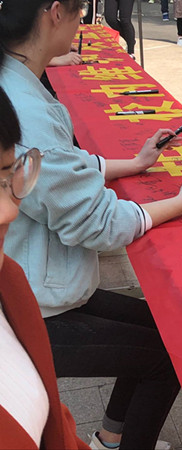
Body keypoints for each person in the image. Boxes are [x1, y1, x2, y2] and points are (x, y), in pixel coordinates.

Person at [0, 1, 182, 449]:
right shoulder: (25, 110)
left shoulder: (15, 83)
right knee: (169, 355)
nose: (82, 25)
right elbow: (95, 222)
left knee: (166, 328)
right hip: (35, 302)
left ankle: (110, 437)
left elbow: (59, 169)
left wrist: (132, 163)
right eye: (80, 15)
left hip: (44, 280)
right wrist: (181, 203)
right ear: (55, 12)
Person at [0, 87, 89, 450]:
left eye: (8, 175)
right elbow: (92, 219)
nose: (9, 211)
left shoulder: (9, 280)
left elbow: (54, 424)